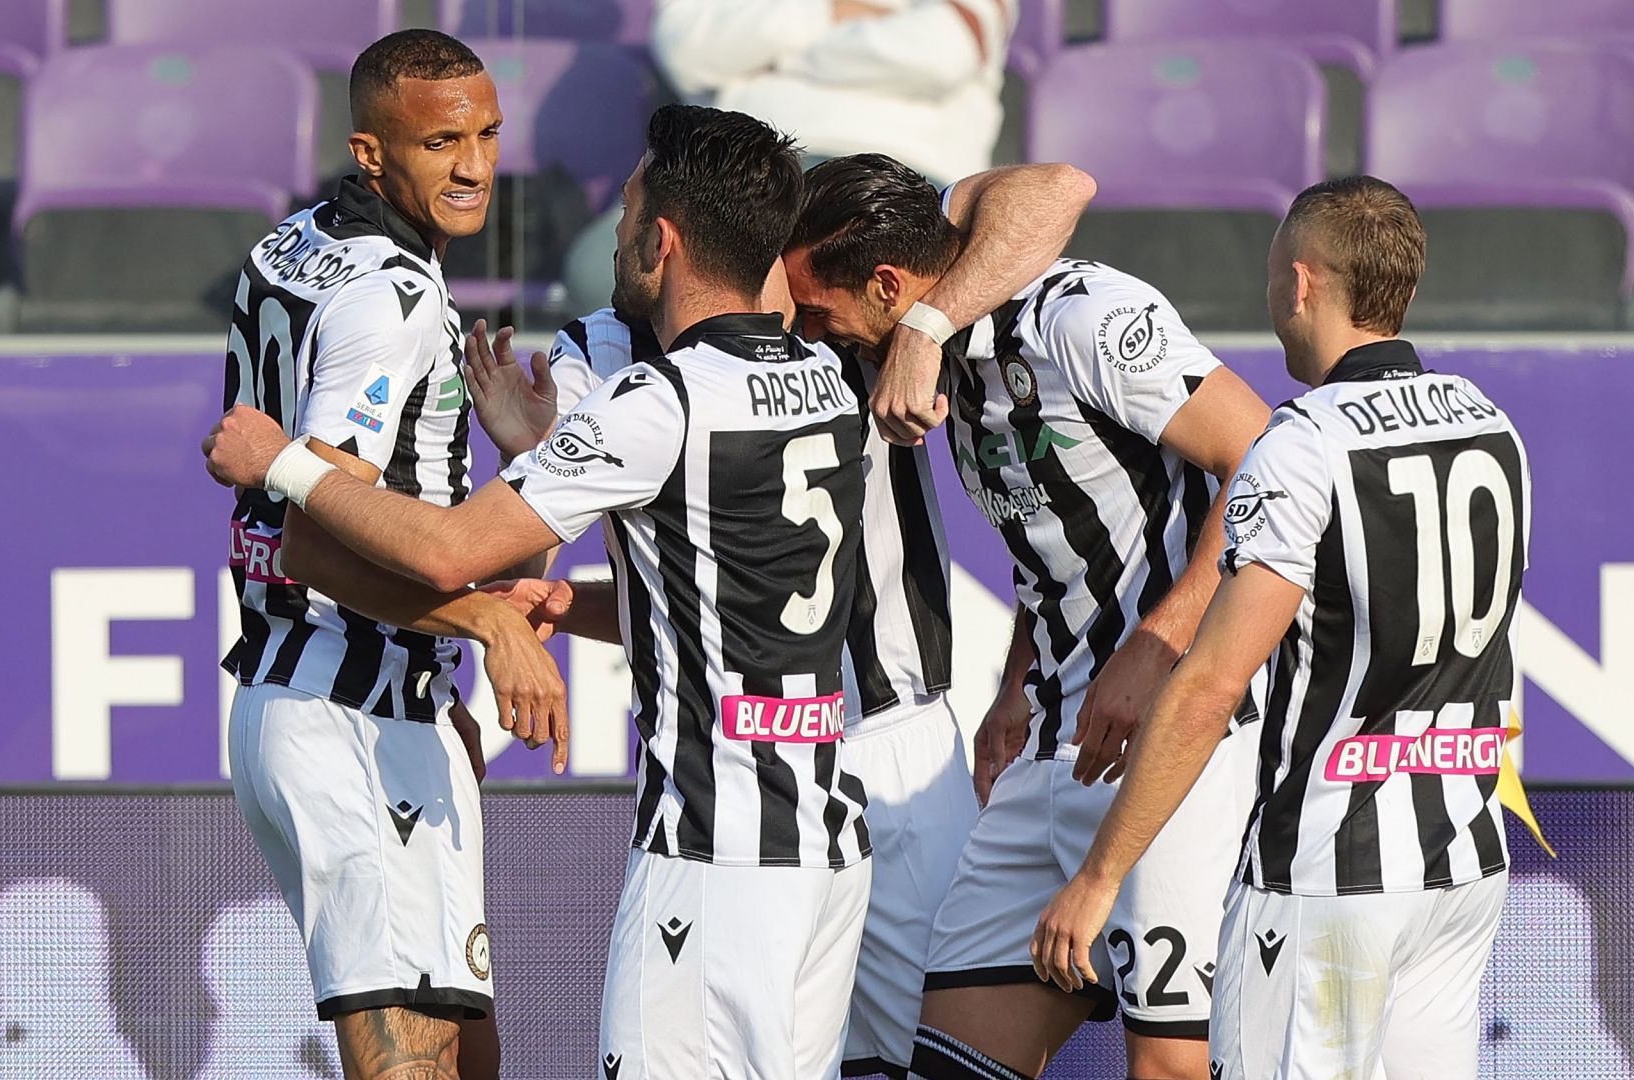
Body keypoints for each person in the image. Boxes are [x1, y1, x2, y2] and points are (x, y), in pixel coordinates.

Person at [206, 103, 873, 1079]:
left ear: (664, 238)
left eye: (631, 204)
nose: (618, 225)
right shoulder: (824, 379)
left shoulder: (663, 403)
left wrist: (289, 466)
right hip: (826, 846)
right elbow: (725, 597)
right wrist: (550, 554)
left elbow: (443, 552)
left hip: (713, 853)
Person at [464, 157, 1096, 1079]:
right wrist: (533, 492)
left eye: (637, 209)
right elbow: (543, 566)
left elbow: (1056, 189)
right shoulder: (600, 349)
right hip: (742, 768)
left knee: (943, 1060)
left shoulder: (846, 300)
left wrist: (924, 326)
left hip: (893, 743)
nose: (622, 229)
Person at [1030, 176, 1532, 1080]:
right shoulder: (1493, 425)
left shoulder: (1302, 442)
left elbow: (1212, 684)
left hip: (1329, 876)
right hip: (1461, 859)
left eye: (1271, 277)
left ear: (1300, 284)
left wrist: (1101, 876)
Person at [783, 153, 1271, 1080]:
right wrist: (1013, 689)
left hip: (1177, 746)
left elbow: (1267, 463)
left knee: (1171, 1065)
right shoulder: (944, 363)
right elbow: (1049, 538)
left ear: (890, 286)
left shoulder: (1080, 317)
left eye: (821, 313)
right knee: (950, 1065)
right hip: (1051, 743)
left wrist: (1158, 643)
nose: (821, 336)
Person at [217, 29, 566, 1080]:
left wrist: (519, 461)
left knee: (467, 1058)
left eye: (489, 135)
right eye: (441, 142)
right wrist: (484, 620)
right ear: (373, 154)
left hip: (369, 708)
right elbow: (313, 534)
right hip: (347, 726)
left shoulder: (289, 242)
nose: (473, 166)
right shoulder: (397, 299)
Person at [565, 0, 1015, 313]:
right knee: (599, 269)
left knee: (859, 296)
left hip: (898, 171)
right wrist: (831, 13)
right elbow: (686, 52)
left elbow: (942, 53)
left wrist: (767, 60)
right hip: (740, 166)